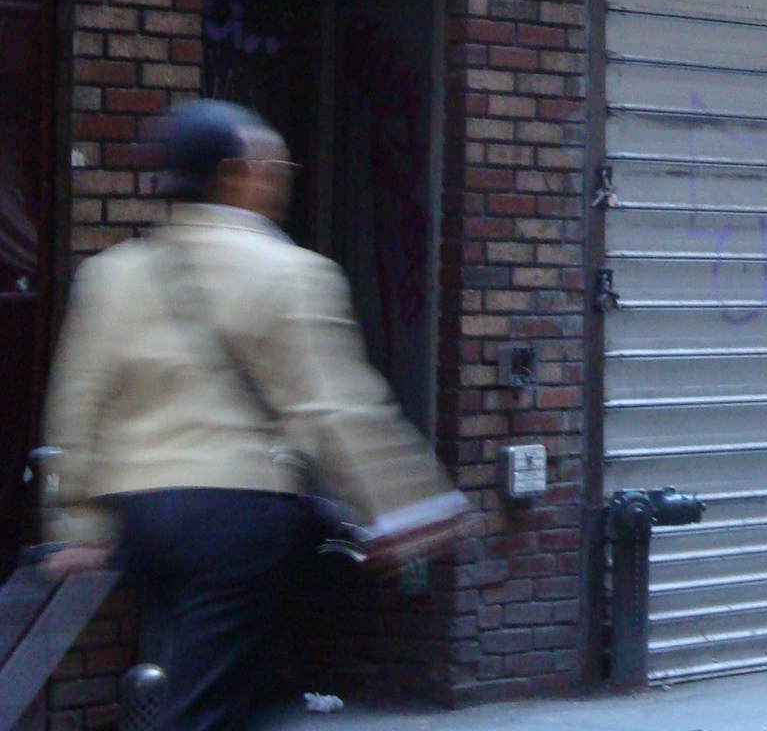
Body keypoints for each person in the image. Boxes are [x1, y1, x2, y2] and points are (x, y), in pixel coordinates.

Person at [38, 101, 469, 731]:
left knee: (235, 678)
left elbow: (77, 404)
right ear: (233, 174)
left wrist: (75, 524)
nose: (278, 179)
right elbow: (336, 407)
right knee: (209, 701)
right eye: (270, 165)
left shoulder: (113, 275)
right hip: (238, 514)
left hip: (143, 517)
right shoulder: (292, 272)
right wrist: (406, 505)